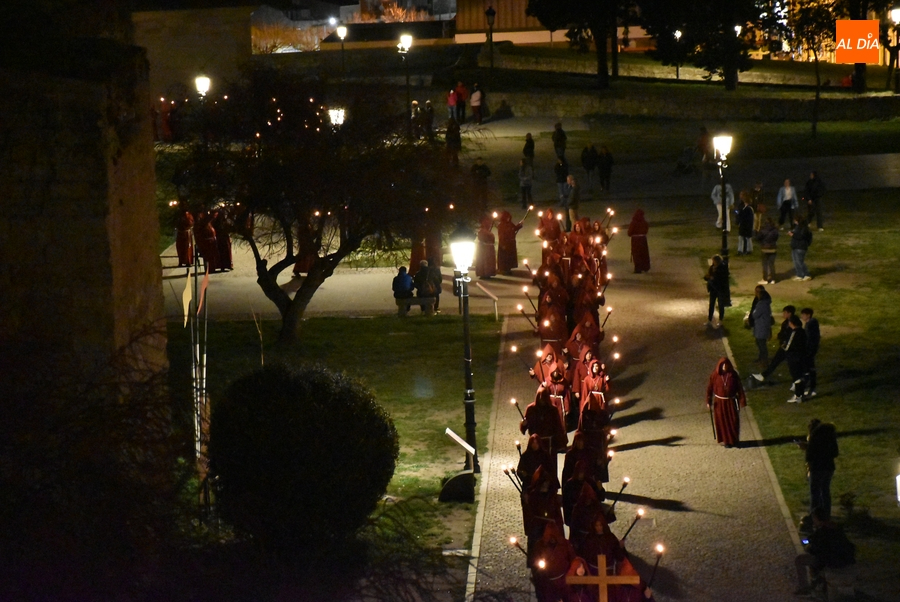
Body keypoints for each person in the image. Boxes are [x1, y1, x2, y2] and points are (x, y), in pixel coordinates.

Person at [793, 508, 855, 596]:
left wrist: (807, 545)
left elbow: (814, 549)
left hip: (831, 561)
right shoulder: (836, 527)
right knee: (816, 558)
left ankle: (804, 588)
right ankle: (817, 581)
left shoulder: (822, 531)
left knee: (800, 559)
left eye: (814, 518)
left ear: (817, 518)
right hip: (845, 560)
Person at [797, 419, 838, 517]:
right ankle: (826, 514)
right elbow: (834, 452)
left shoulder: (814, 437)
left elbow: (810, 455)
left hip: (816, 468)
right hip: (829, 468)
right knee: (825, 491)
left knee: (815, 493)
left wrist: (809, 470)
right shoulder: (829, 436)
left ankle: (815, 516)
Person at [705, 357, 747, 448]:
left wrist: (742, 401)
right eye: (723, 365)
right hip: (719, 403)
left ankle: (734, 440)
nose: (724, 367)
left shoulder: (733, 375)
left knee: (733, 421)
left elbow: (740, 388)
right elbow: (710, 388)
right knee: (722, 421)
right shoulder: (715, 375)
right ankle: (726, 441)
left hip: (731, 402)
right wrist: (708, 400)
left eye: (726, 365)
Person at [751, 305, 797, 384]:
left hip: (790, 348)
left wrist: (785, 342)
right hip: (785, 346)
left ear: (789, 313)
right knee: (776, 361)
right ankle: (763, 375)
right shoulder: (787, 322)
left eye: (785, 312)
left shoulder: (793, 323)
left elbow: (793, 334)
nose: (783, 314)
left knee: (793, 366)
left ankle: (798, 382)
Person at [785, 315, 809, 403]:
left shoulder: (794, 332)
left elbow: (788, 346)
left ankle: (798, 395)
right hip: (802, 356)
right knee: (800, 376)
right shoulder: (803, 331)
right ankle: (801, 395)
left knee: (796, 377)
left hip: (794, 357)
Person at [704, 255, 730, 328]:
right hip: (713, 289)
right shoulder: (712, 267)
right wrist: (708, 277)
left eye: (714, 261)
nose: (713, 262)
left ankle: (721, 320)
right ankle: (709, 319)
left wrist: (713, 277)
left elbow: (722, 279)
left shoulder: (722, 268)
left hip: (720, 289)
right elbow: (707, 276)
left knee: (721, 305)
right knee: (711, 304)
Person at [749, 285, 773, 365]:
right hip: (763, 325)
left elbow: (755, 314)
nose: (757, 294)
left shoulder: (761, 304)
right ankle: (761, 358)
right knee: (760, 343)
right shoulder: (766, 303)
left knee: (761, 344)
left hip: (760, 326)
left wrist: (753, 313)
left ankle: (764, 360)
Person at [800, 308, 820, 397]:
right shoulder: (811, 324)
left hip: (810, 350)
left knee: (809, 369)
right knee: (809, 368)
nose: (802, 316)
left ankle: (810, 388)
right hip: (811, 349)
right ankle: (810, 387)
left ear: (808, 315)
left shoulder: (810, 325)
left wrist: (807, 349)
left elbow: (810, 338)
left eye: (803, 314)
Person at [789, 216, 813, 281]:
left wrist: (793, 235)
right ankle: (800, 275)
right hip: (796, 246)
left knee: (800, 261)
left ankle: (806, 274)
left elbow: (801, 236)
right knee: (796, 261)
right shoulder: (798, 227)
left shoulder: (803, 228)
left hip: (800, 247)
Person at [756, 217, 779, 284]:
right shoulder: (775, 230)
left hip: (765, 248)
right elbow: (776, 238)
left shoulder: (763, 230)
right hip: (773, 248)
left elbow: (757, 238)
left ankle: (765, 279)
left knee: (765, 264)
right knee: (771, 264)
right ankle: (773, 279)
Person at [627, 209, 650, 273]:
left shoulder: (634, 222)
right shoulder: (644, 222)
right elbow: (646, 230)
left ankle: (638, 268)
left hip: (636, 240)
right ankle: (645, 267)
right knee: (644, 253)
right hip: (643, 239)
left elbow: (629, 232)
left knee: (636, 254)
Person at [474, 215, 497, 279]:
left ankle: (488, 273)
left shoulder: (486, 230)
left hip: (489, 248)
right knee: (484, 260)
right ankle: (483, 273)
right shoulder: (481, 231)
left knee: (488, 261)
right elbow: (482, 238)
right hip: (483, 249)